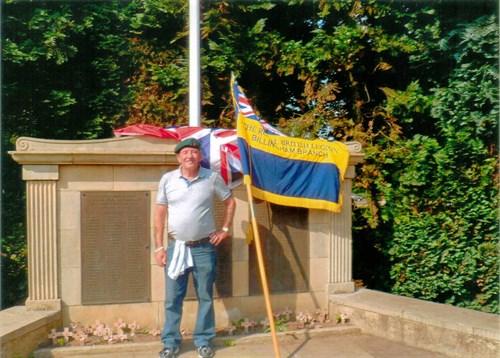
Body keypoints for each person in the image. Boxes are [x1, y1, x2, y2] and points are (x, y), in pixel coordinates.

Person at [154, 137, 236, 358]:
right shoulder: (168, 180)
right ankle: (170, 343)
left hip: (204, 249)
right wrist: (159, 247)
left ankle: (203, 341)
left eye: (193, 152)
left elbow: (230, 201)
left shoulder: (212, 178)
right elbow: (160, 213)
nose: (189, 156)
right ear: (178, 157)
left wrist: (225, 229)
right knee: (173, 298)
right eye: (185, 152)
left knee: (205, 296)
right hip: (175, 249)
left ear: (200, 156)